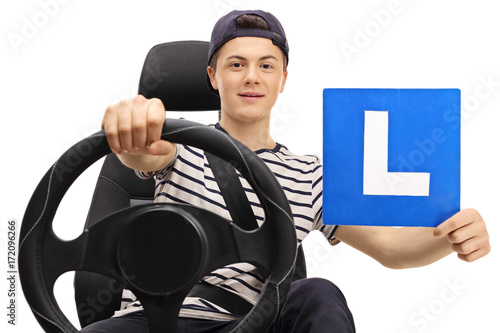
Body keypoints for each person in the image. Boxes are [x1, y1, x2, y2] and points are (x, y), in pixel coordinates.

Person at [84, 9, 490, 333]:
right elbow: (144, 154)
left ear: (283, 80)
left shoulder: (311, 174)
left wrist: (450, 239)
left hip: (256, 323)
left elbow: (391, 248)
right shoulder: (180, 142)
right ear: (213, 76)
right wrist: (134, 127)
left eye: (266, 66)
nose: (251, 77)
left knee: (318, 293)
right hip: (158, 319)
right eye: (236, 64)